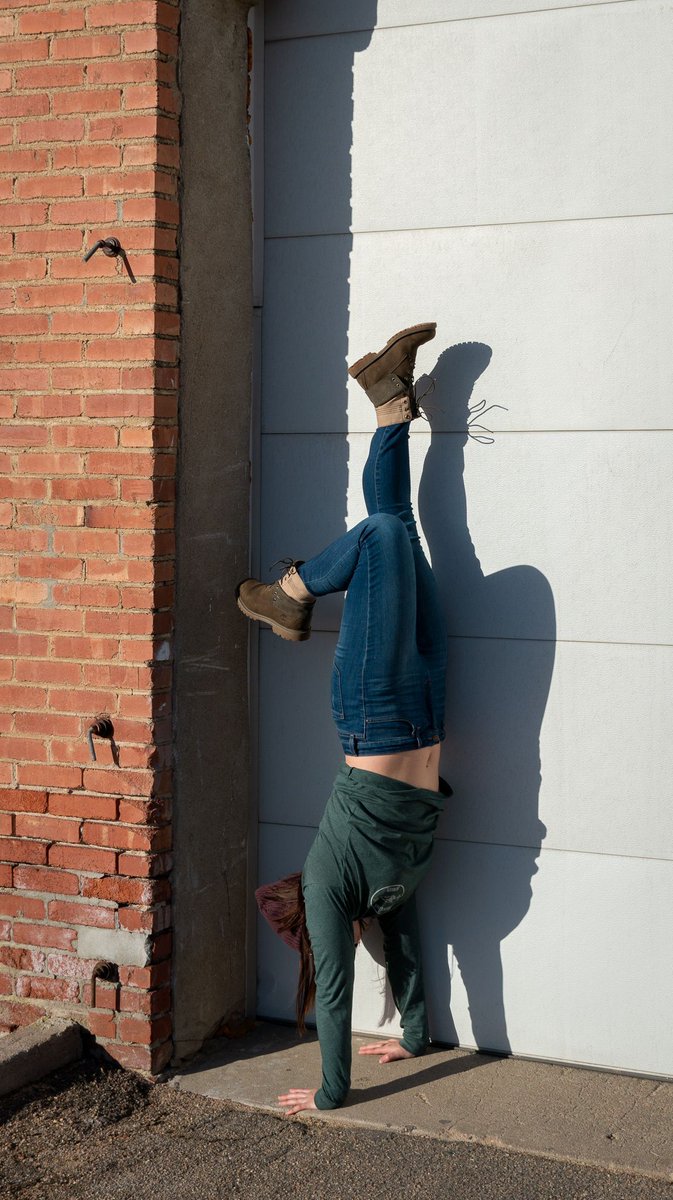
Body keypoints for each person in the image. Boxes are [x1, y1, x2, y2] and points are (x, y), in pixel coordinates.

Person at [236, 323, 451, 1114]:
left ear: (312, 915)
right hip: (425, 707)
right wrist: (415, 1035)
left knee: (381, 536)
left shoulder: (332, 881)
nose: (344, 943)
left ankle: (289, 595)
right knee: (399, 528)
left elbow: (332, 989)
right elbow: (409, 957)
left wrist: (331, 1093)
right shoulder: (387, 895)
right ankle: (391, 402)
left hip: (373, 712)